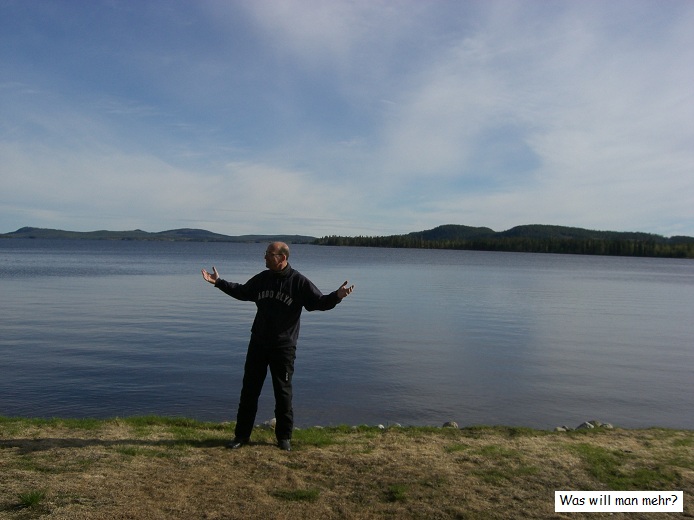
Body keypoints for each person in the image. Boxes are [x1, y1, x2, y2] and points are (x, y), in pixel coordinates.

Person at [201, 241, 354, 451]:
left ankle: (284, 438)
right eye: (265, 253)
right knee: (249, 392)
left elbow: (317, 302)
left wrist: (336, 296)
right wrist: (219, 282)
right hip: (258, 344)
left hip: (283, 348)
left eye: (268, 254)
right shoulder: (262, 279)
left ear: (282, 258)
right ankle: (241, 436)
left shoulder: (298, 282)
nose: (264, 257)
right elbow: (243, 291)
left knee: (283, 393)